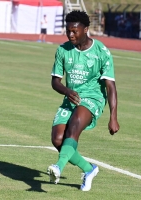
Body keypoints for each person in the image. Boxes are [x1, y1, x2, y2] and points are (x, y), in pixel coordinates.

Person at [47, 10, 119, 191]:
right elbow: (55, 81)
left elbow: (110, 86)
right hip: (70, 97)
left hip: (92, 99)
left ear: (86, 29)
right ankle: (89, 169)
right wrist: (66, 90)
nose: (70, 34)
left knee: (74, 126)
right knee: (57, 140)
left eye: (75, 31)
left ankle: (58, 167)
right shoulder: (63, 50)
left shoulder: (101, 52)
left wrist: (113, 117)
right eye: (68, 30)